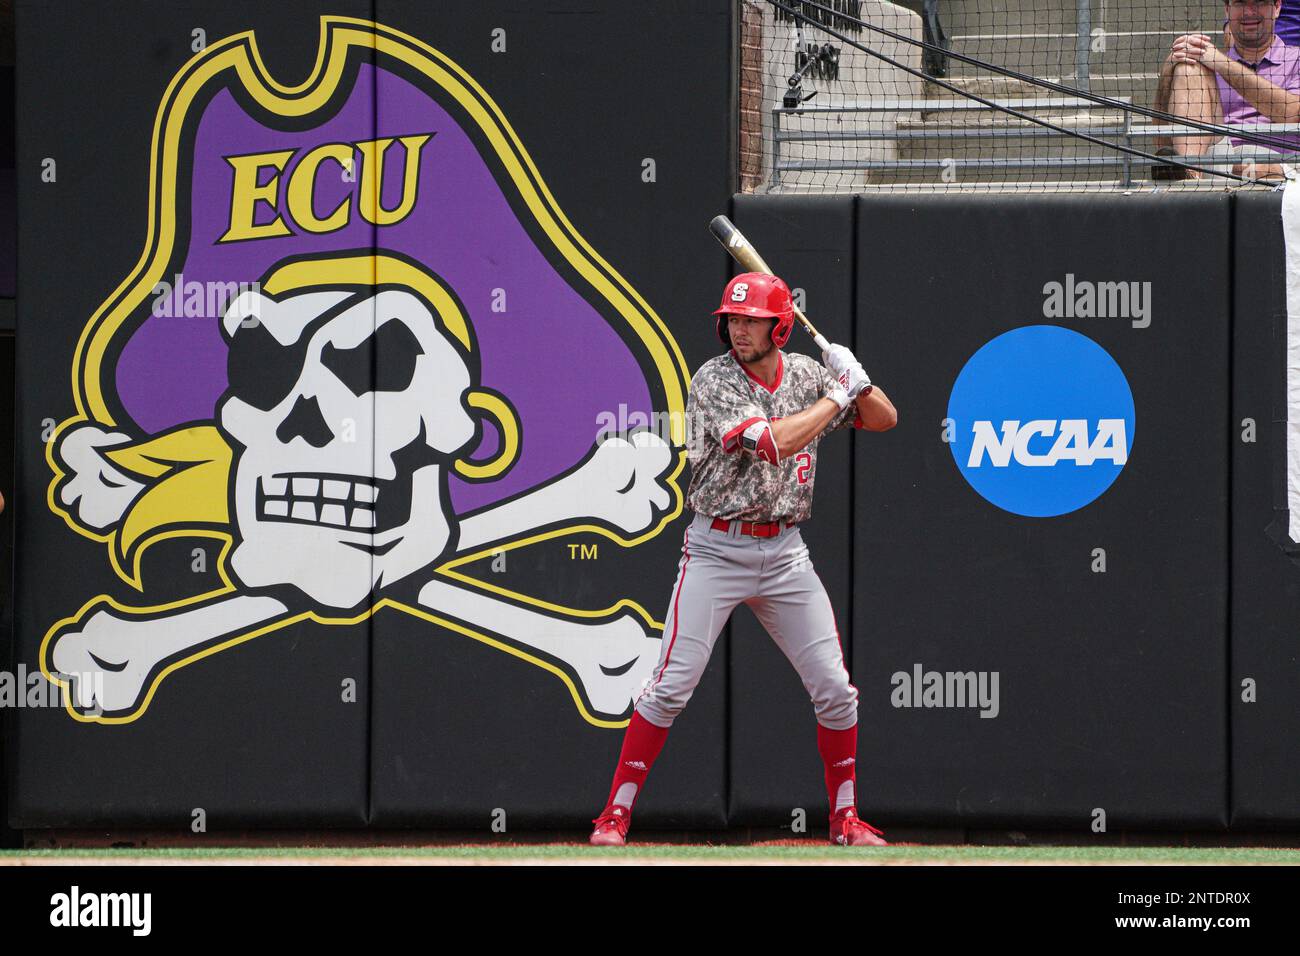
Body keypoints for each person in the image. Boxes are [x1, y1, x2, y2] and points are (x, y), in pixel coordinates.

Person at [588, 272, 898, 848]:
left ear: (780, 324)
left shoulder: (808, 373)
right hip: (717, 547)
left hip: (784, 552)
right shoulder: (714, 379)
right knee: (671, 687)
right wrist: (836, 395)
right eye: (732, 319)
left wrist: (856, 379)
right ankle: (615, 815)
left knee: (835, 688)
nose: (738, 329)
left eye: (751, 319)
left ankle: (846, 819)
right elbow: (772, 444)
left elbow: (885, 419)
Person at [1155, 0, 1300, 179]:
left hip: (1284, 164)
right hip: (1219, 164)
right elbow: (1161, 142)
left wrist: (1221, 63)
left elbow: (1292, 112)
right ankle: (1189, 177)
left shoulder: (1296, 59)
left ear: (1277, 7)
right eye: (1239, 3)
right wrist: (1168, 72)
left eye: (1259, 2)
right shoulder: (1205, 69)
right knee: (1187, 68)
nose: (1249, 12)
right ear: (1227, 9)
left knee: (1253, 164)